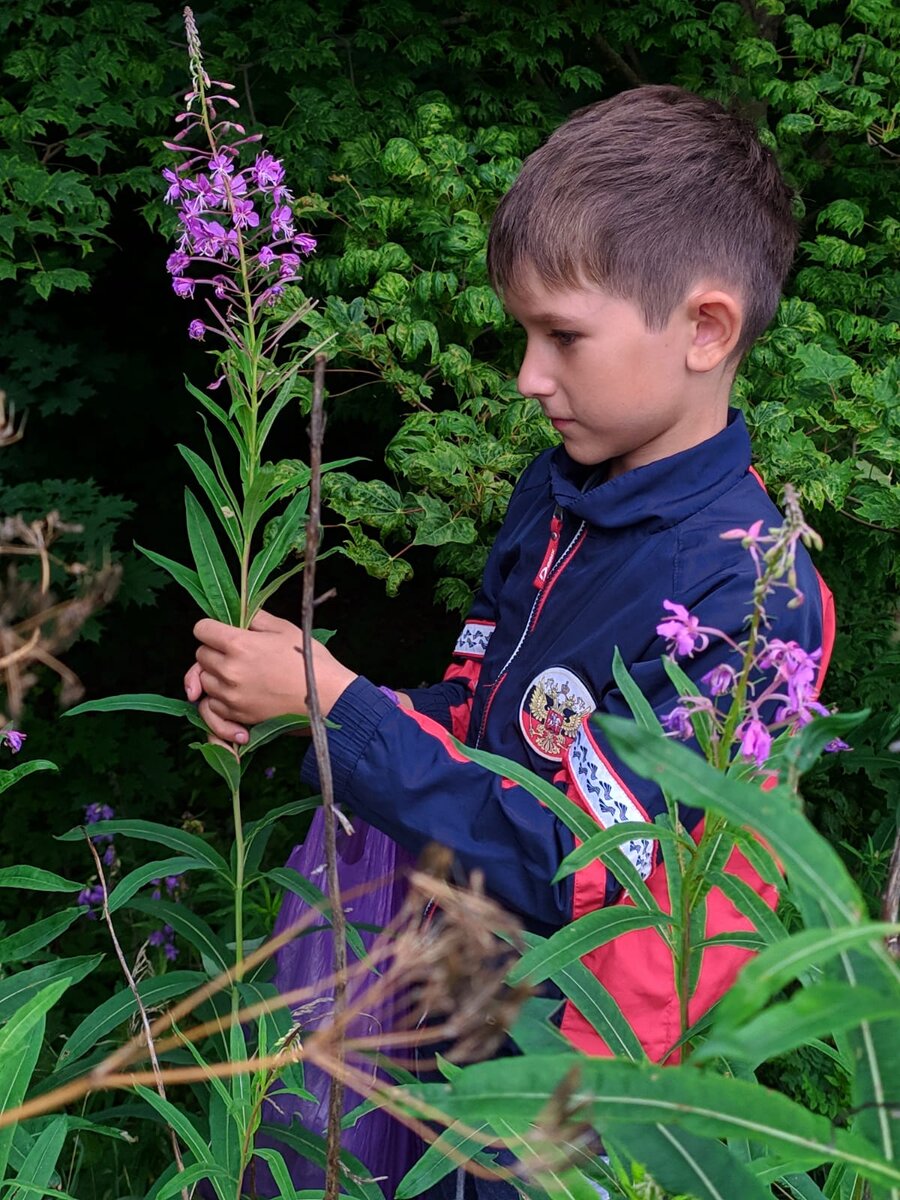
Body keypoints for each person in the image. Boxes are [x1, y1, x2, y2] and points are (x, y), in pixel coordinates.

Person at [185, 86, 835, 1197]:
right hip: (465, 990)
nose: (530, 376)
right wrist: (320, 713)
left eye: (563, 337)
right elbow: (486, 715)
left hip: (585, 1089)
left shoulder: (743, 593)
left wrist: (341, 712)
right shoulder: (565, 496)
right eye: (525, 333)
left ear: (706, 328)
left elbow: (589, 874)